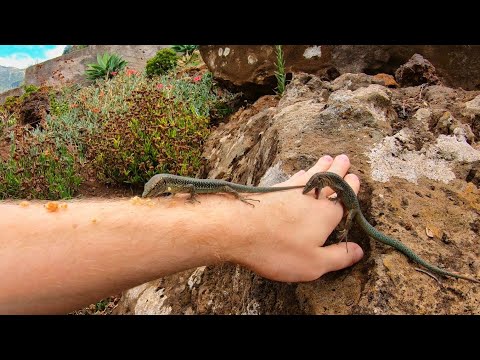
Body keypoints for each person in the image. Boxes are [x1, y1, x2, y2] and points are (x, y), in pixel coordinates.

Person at [0, 154, 363, 314]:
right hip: (224, 200)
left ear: (168, 185)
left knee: (242, 194)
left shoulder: (185, 186)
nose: (157, 193)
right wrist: (236, 227)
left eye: (159, 191)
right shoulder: (174, 185)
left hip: (226, 190)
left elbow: (204, 191)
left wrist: (242, 214)